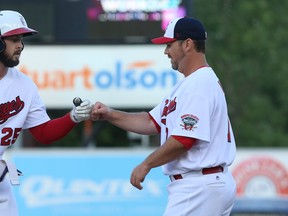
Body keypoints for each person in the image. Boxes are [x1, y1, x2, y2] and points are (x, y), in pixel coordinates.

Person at [91, 16, 236, 216]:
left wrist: (146, 164)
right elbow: (151, 122)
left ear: (187, 44)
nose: (166, 51)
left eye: (169, 44)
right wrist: (110, 114)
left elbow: (184, 139)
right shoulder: (189, 84)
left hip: (198, 186)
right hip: (202, 184)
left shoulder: (199, 84)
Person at [0, 10, 92, 216]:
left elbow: (43, 133)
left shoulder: (24, 85)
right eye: (14, 39)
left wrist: (73, 117)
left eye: (21, 40)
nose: (20, 46)